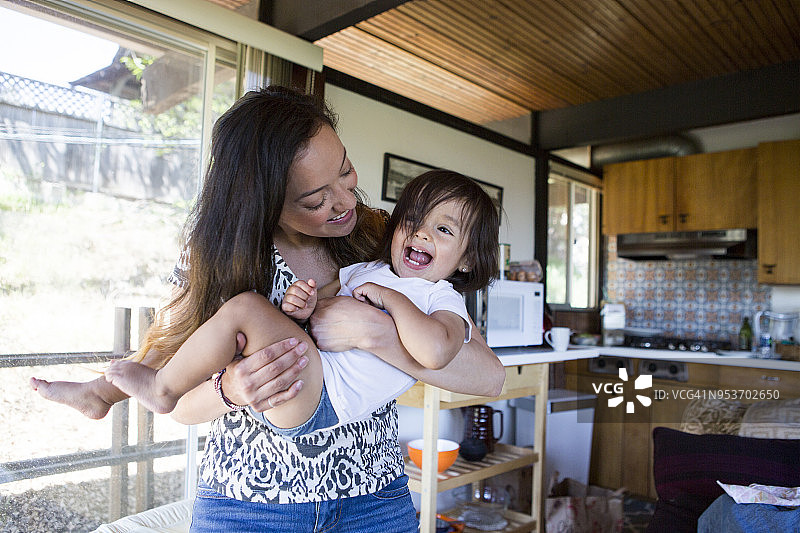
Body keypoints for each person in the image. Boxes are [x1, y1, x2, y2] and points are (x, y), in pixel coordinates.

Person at [31, 86, 505, 532]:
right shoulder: (218, 258)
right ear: (266, 200)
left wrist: (375, 333)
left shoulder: (383, 236)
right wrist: (232, 388)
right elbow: (180, 401)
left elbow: (487, 376)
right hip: (249, 504)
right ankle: (100, 393)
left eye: (345, 171)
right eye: (316, 199)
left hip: (373, 500)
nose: (344, 202)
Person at [102, 169, 500, 436]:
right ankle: (138, 388)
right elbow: (320, 307)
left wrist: (379, 318)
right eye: (413, 220)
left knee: (246, 309)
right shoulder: (371, 270)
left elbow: (440, 353)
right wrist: (301, 307)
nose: (422, 233)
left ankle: (153, 386)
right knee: (243, 310)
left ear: (466, 259)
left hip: (328, 402)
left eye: (444, 229)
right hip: (265, 461)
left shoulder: (439, 295)